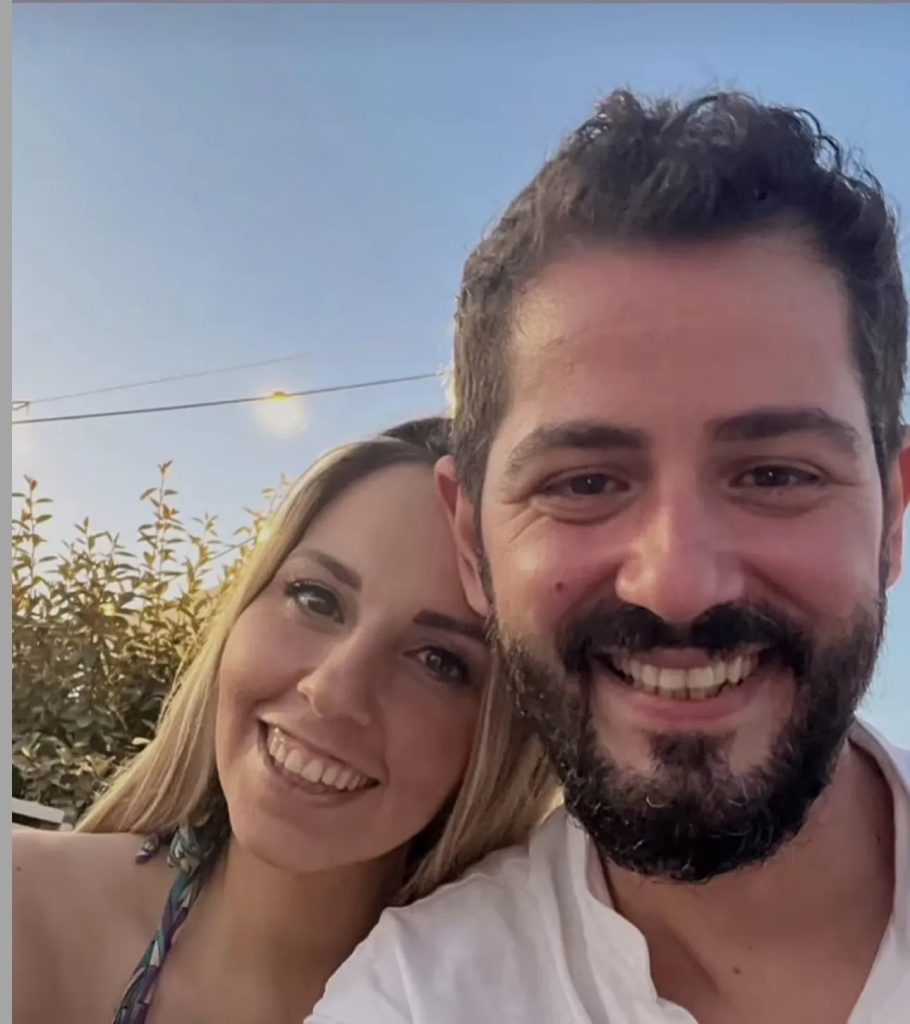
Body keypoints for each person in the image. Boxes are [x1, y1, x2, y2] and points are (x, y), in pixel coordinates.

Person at [310, 91, 910, 1024]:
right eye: (585, 482)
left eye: (776, 475)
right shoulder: (415, 1001)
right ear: (470, 541)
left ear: (893, 517)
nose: (677, 582)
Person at [13, 419, 555, 1024]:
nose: (331, 690)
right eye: (316, 599)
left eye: (438, 661)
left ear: (501, 747)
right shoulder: (25, 908)